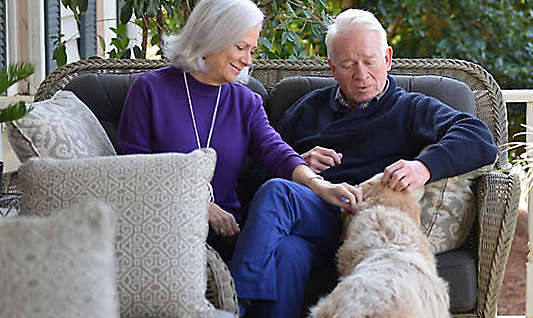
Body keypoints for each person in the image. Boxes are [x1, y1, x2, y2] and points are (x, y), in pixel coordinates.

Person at [229, 8, 498, 318]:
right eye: (348, 65)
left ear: (387, 57)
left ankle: (233, 306)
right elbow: (253, 176)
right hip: (317, 214)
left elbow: (478, 138)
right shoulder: (307, 110)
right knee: (284, 229)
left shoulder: (411, 108)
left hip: (365, 221)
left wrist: (422, 167)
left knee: (282, 219)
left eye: (369, 62)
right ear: (332, 68)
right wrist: (298, 165)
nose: (361, 74)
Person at [117, 0, 360, 261]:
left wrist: (319, 185)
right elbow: (135, 170)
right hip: (163, 227)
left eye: (252, 51)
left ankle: (240, 297)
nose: (247, 60)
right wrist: (200, 206)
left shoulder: (245, 101)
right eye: (240, 47)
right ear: (210, 37)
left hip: (228, 235)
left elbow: (274, 151)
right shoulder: (150, 89)